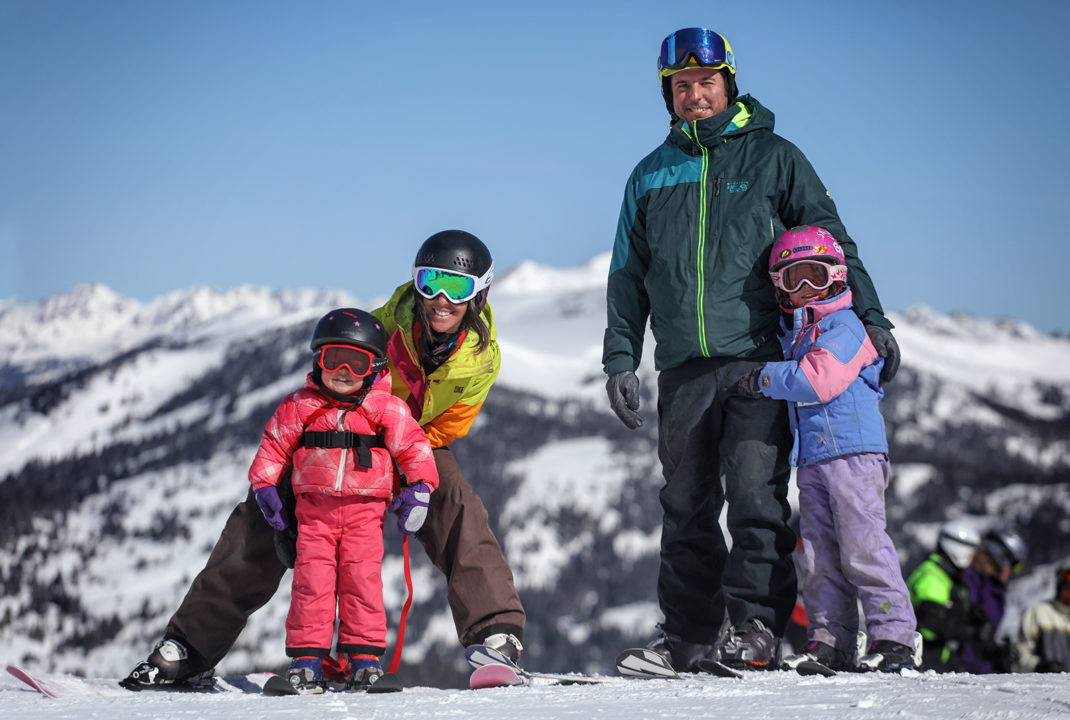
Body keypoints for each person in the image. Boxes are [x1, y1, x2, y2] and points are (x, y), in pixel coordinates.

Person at [602, 26, 899, 671]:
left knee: (757, 497)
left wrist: (871, 319)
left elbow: (833, 243)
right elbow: (627, 274)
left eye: (706, 83)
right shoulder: (650, 174)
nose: (695, 96)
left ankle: (757, 629)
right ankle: (684, 638)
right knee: (683, 504)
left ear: (728, 82)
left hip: (762, 359)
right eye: (681, 86)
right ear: (668, 94)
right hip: (683, 365)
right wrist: (621, 356)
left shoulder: (775, 158)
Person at [122, 230, 525, 690]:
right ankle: (189, 646)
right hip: (341, 435)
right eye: (430, 281)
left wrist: (405, 465)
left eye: (456, 287)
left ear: (480, 293)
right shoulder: (378, 328)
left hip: (413, 444)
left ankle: (496, 637)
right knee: (262, 516)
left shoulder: (482, 360)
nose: (439, 299)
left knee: (455, 503)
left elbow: (450, 426)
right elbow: (327, 386)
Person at [735, 225, 917, 672]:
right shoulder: (793, 333)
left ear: (837, 277)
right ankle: (830, 638)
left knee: (863, 546)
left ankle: (894, 637)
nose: (805, 289)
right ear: (779, 288)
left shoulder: (847, 326)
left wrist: (762, 377)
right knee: (816, 554)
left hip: (854, 455)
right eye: (793, 279)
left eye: (815, 276)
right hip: (814, 460)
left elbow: (818, 380)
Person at [248, 307, 439, 693]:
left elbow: (415, 449)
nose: (344, 373)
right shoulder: (300, 405)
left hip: (364, 516)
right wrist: (264, 485)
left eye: (357, 363)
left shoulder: (386, 408)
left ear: (374, 367)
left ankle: (364, 660)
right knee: (311, 584)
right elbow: (274, 445)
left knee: (362, 582)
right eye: (334, 360)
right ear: (318, 360)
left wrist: (420, 489)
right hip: (313, 515)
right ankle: (307, 661)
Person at [908, 522, 1027, 673]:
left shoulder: (952, 578)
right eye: (971, 554)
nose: (973, 559)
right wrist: (968, 630)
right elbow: (929, 625)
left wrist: (993, 651)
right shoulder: (935, 577)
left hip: (948, 665)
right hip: (931, 665)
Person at [1014, 562, 1070, 673]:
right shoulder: (1039, 613)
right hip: (1041, 686)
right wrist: (1038, 666)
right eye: (1067, 588)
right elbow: (1020, 651)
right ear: (1059, 587)